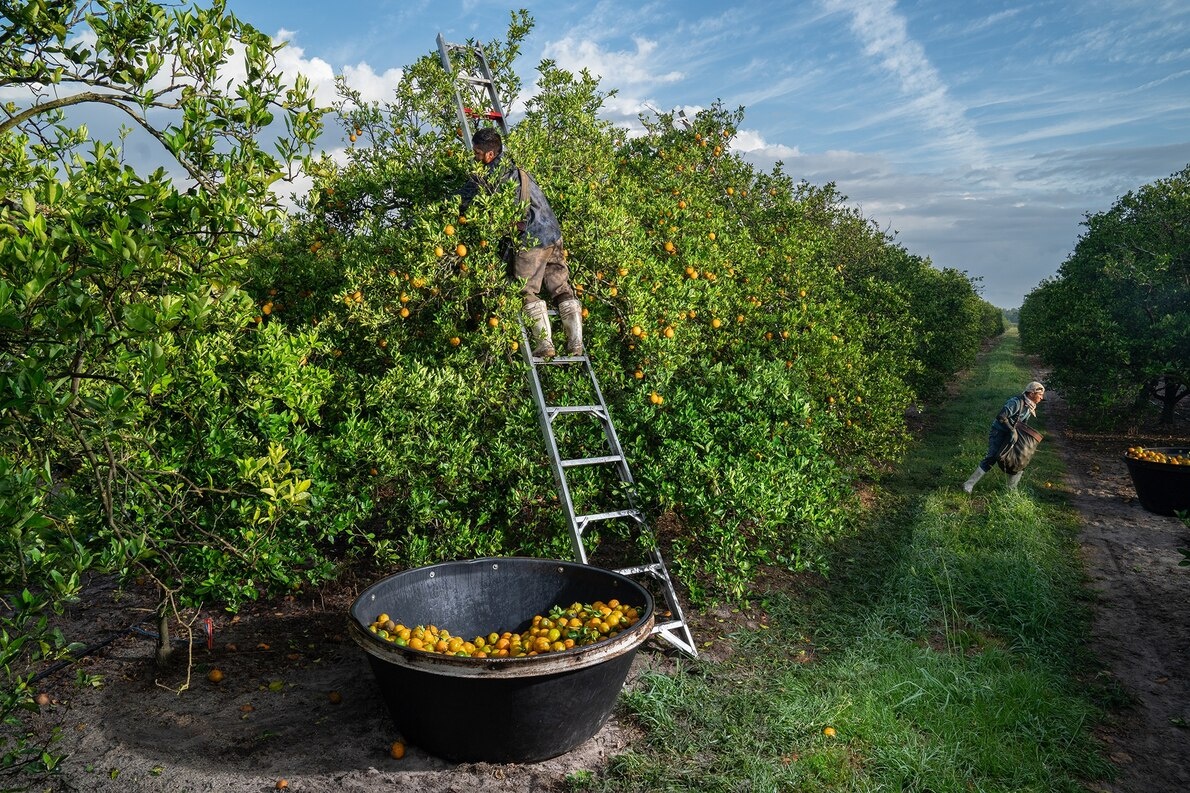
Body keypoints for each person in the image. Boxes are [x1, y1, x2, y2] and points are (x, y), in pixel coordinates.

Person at [458, 128, 583, 359]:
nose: (474, 157)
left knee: (525, 291)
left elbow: (465, 201)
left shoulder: (494, 176)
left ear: (489, 155)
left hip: (533, 240)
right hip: (553, 235)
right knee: (560, 288)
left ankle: (545, 345)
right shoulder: (517, 170)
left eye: (476, 153)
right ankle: (575, 343)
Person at [962, 381, 1046, 493]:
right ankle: (969, 484)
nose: (1041, 398)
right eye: (1040, 395)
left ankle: (1011, 490)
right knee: (992, 457)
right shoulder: (1016, 402)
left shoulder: (1030, 406)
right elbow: (1001, 416)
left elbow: (1021, 423)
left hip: (1011, 434)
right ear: (1031, 393)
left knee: (1019, 458)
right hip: (999, 432)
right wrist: (1012, 430)